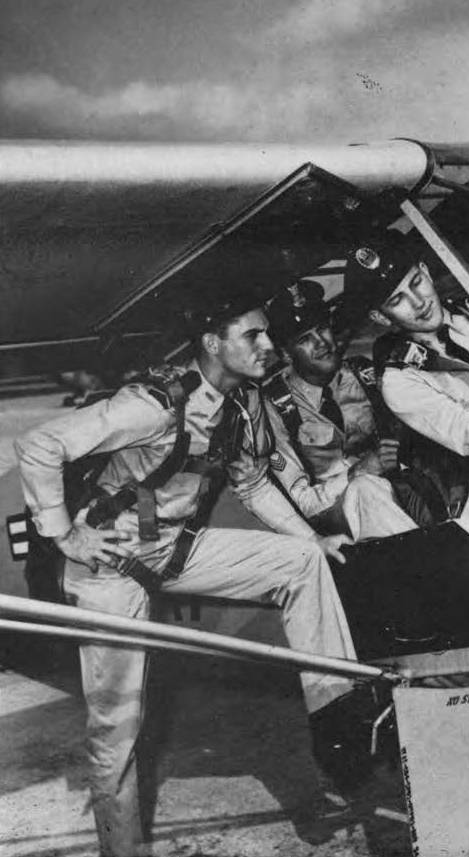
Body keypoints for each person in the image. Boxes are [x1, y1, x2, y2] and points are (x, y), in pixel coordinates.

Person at [15, 294, 373, 857]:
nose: (268, 345)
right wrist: (63, 533)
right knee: (116, 728)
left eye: (267, 335)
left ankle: (338, 723)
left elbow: (252, 484)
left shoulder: (241, 406)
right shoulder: (151, 405)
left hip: (175, 548)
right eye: (252, 335)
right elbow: (38, 445)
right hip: (110, 563)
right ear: (212, 343)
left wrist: (314, 538)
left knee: (302, 562)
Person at [342, 234, 469, 503]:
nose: (419, 302)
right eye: (398, 301)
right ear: (380, 317)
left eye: (416, 282)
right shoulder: (400, 380)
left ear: (426, 271)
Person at [261, 280, 418, 540]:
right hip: (330, 512)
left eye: (322, 329)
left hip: (390, 486)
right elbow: (303, 501)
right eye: (305, 340)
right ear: (286, 355)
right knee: (363, 489)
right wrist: (355, 473)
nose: (321, 343)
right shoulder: (275, 407)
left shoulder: (363, 372)